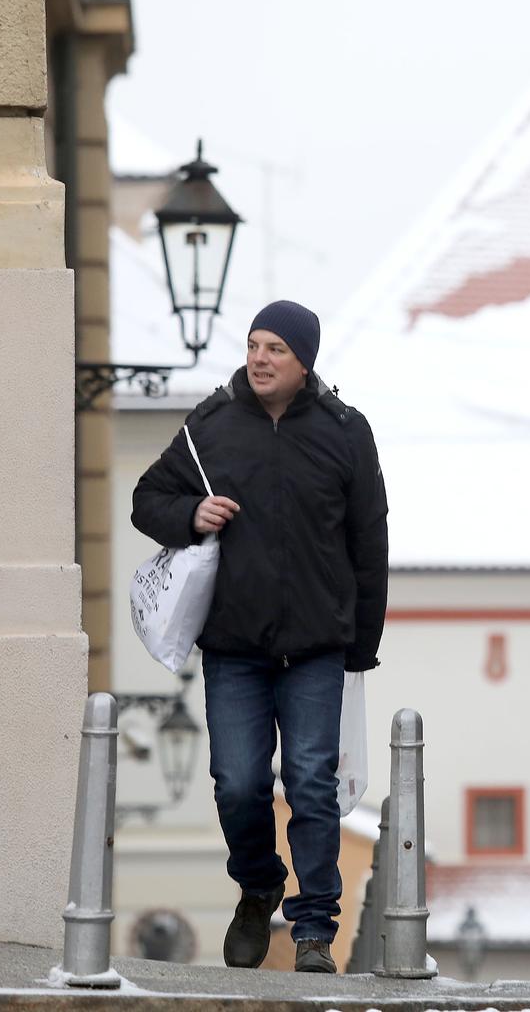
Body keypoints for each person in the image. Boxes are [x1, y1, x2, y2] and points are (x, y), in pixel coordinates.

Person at [131, 300, 389, 975]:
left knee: (310, 784)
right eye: (253, 344)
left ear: (305, 359)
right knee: (237, 783)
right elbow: (144, 501)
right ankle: (257, 883)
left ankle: (311, 930)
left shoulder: (345, 431)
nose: (260, 357)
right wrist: (191, 513)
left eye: (275, 347)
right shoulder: (211, 426)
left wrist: (361, 645)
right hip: (235, 647)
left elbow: (370, 541)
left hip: (314, 649)